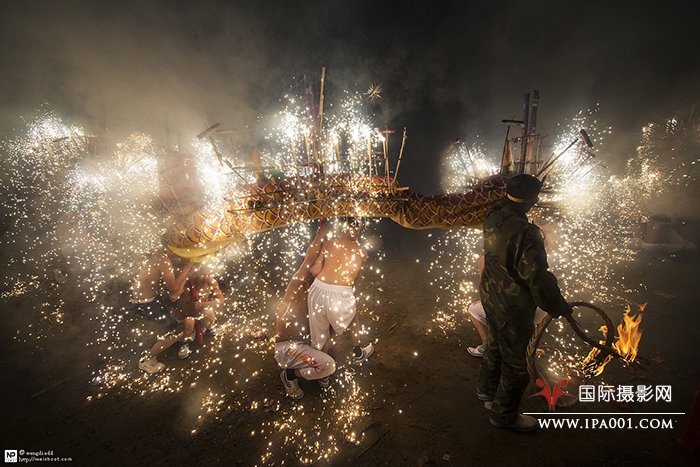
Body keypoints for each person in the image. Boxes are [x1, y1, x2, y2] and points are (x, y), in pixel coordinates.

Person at [478, 174, 572, 432]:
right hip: (512, 305)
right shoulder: (528, 233)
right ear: (532, 201)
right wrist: (558, 305)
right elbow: (537, 278)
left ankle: (486, 391)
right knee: (517, 361)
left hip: (489, 294)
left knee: (495, 344)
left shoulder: (492, 215)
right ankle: (504, 415)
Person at [275, 220, 337, 399]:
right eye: (318, 263)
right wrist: (322, 231)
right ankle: (290, 375)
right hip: (288, 348)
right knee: (329, 366)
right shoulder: (298, 284)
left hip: (306, 344)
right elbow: (309, 257)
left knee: (330, 328)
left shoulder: (323, 291)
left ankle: (318, 371)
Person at [307, 218, 374, 364]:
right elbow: (353, 282)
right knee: (353, 318)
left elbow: (315, 271)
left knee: (319, 336)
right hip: (340, 293)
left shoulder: (328, 243)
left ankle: (319, 368)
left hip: (317, 290)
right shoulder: (362, 252)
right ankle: (358, 353)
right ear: (357, 228)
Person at [139, 269, 224, 374]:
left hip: (199, 313)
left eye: (206, 273)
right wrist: (185, 279)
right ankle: (184, 342)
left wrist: (203, 305)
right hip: (183, 315)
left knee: (209, 313)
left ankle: (205, 329)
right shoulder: (185, 282)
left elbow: (220, 300)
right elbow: (173, 297)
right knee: (189, 322)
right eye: (200, 272)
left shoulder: (210, 281)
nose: (203, 275)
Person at [129, 244, 193, 320]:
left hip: (145, 301)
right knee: (176, 322)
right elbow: (174, 288)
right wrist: (189, 264)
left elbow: (173, 292)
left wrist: (187, 273)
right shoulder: (162, 259)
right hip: (144, 306)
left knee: (175, 296)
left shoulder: (159, 255)